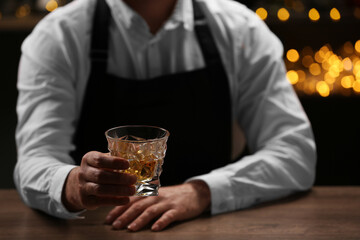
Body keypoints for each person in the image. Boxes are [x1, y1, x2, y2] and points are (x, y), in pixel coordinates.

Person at [14, 0, 316, 232]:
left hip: (214, 230)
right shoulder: (59, 36)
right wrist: (75, 185)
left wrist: (202, 192)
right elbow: (33, 162)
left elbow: (294, 152)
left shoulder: (240, 29)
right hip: (102, 230)